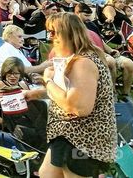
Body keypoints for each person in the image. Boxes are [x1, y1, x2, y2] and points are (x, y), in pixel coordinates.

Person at [42, 12, 117, 178]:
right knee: (46, 174)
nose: (50, 36)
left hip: (81, 137)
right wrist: (37, 93)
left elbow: (77, 107)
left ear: (69, 34)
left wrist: (48, 81)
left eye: (54, 32)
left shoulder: (83, 63)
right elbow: (72, 91)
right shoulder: (79, 59)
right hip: (67, 134)